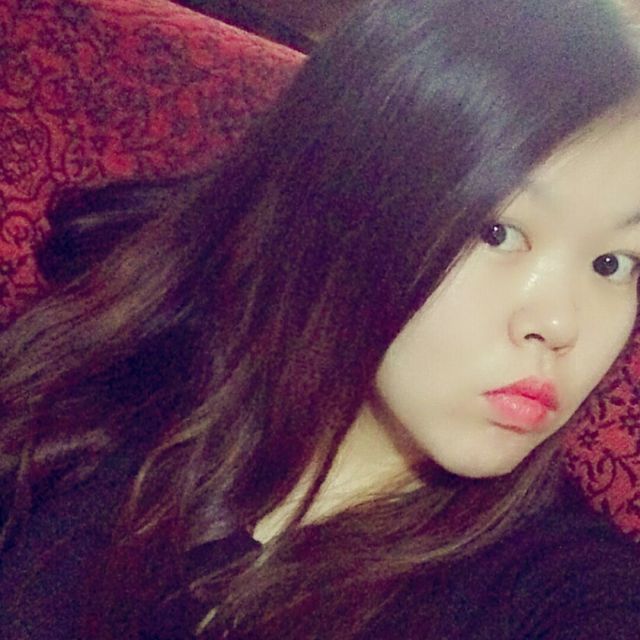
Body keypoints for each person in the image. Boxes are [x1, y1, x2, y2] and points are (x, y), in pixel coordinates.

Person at [1, 0, 640, 637]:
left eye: (613, 264)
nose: (560, 325)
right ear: (349, 194)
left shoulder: (562, 590)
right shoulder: (113, 378)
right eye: (497, 232)